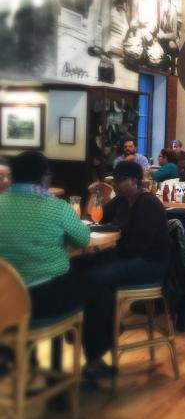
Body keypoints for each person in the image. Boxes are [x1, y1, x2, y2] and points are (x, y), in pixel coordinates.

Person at [82, 161, 171, 379]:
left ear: (134, 181)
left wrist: (110, 256)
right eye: (115, 180)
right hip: (131, 257)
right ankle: (104, 333)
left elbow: (140, 247)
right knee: (83, 267)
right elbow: (98, 216)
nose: (116, 185)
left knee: (97, 277)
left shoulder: (149, 204)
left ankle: (99, 345)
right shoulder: (122, 200)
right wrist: (94, 195)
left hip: (151, 264)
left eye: (120, 181)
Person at [0, 150, 89, 319]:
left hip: (4, 300)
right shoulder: (58, 207)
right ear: (43, 177)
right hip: (43, 299)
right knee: (95, 285)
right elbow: (83, 240)